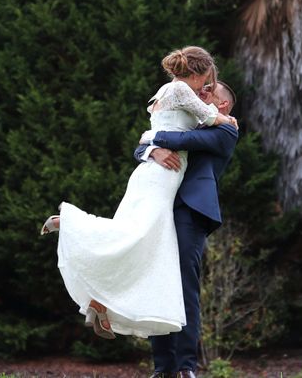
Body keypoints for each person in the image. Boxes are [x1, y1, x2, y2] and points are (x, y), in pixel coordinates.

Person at [39, 46, 237, 341]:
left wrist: (152, 143)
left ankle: (101, 301)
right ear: (197, 74)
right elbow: (205, 120)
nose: (205, 90)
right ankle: (71, 223)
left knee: (139, 245)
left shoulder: (174, 96)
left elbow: (161, 132)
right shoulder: (181, 90)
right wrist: (225, 118)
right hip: (160, 177)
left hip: (157, 176)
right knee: (137, 237)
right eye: (206, 82)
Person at [136, 80, 239, 378]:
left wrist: (152, 137)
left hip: (189, 211)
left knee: (184, 287)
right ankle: (162, 368)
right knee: (158, 284)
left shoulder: (225, 129)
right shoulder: (187, 120)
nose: (200, 94)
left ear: (223, 106)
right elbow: (140, 149)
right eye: (200, 90)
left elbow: (183, 141)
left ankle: (185, 368)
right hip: (158, 206)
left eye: (209, 92)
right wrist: (152, 151)